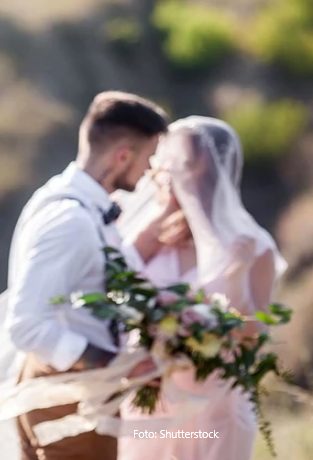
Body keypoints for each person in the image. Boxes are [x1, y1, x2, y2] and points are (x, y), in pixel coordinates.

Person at [0, 91, 178, 460]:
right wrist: (113, 365)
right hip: (65, 395)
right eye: (149, 158)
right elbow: (27, 326)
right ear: (122, 156)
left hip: (74, 390)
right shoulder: (70, 220)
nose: (150, 170)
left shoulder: (81, 205)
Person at [114, 116, 288, 460]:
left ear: (202, 168)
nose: (162, 172)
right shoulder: (152, 234)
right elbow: (116, 284)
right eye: (164, 164)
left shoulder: (252, 246)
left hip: (216, 405)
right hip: (153, 400)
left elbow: (255, 336)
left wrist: (235, 276)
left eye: (176, 164)